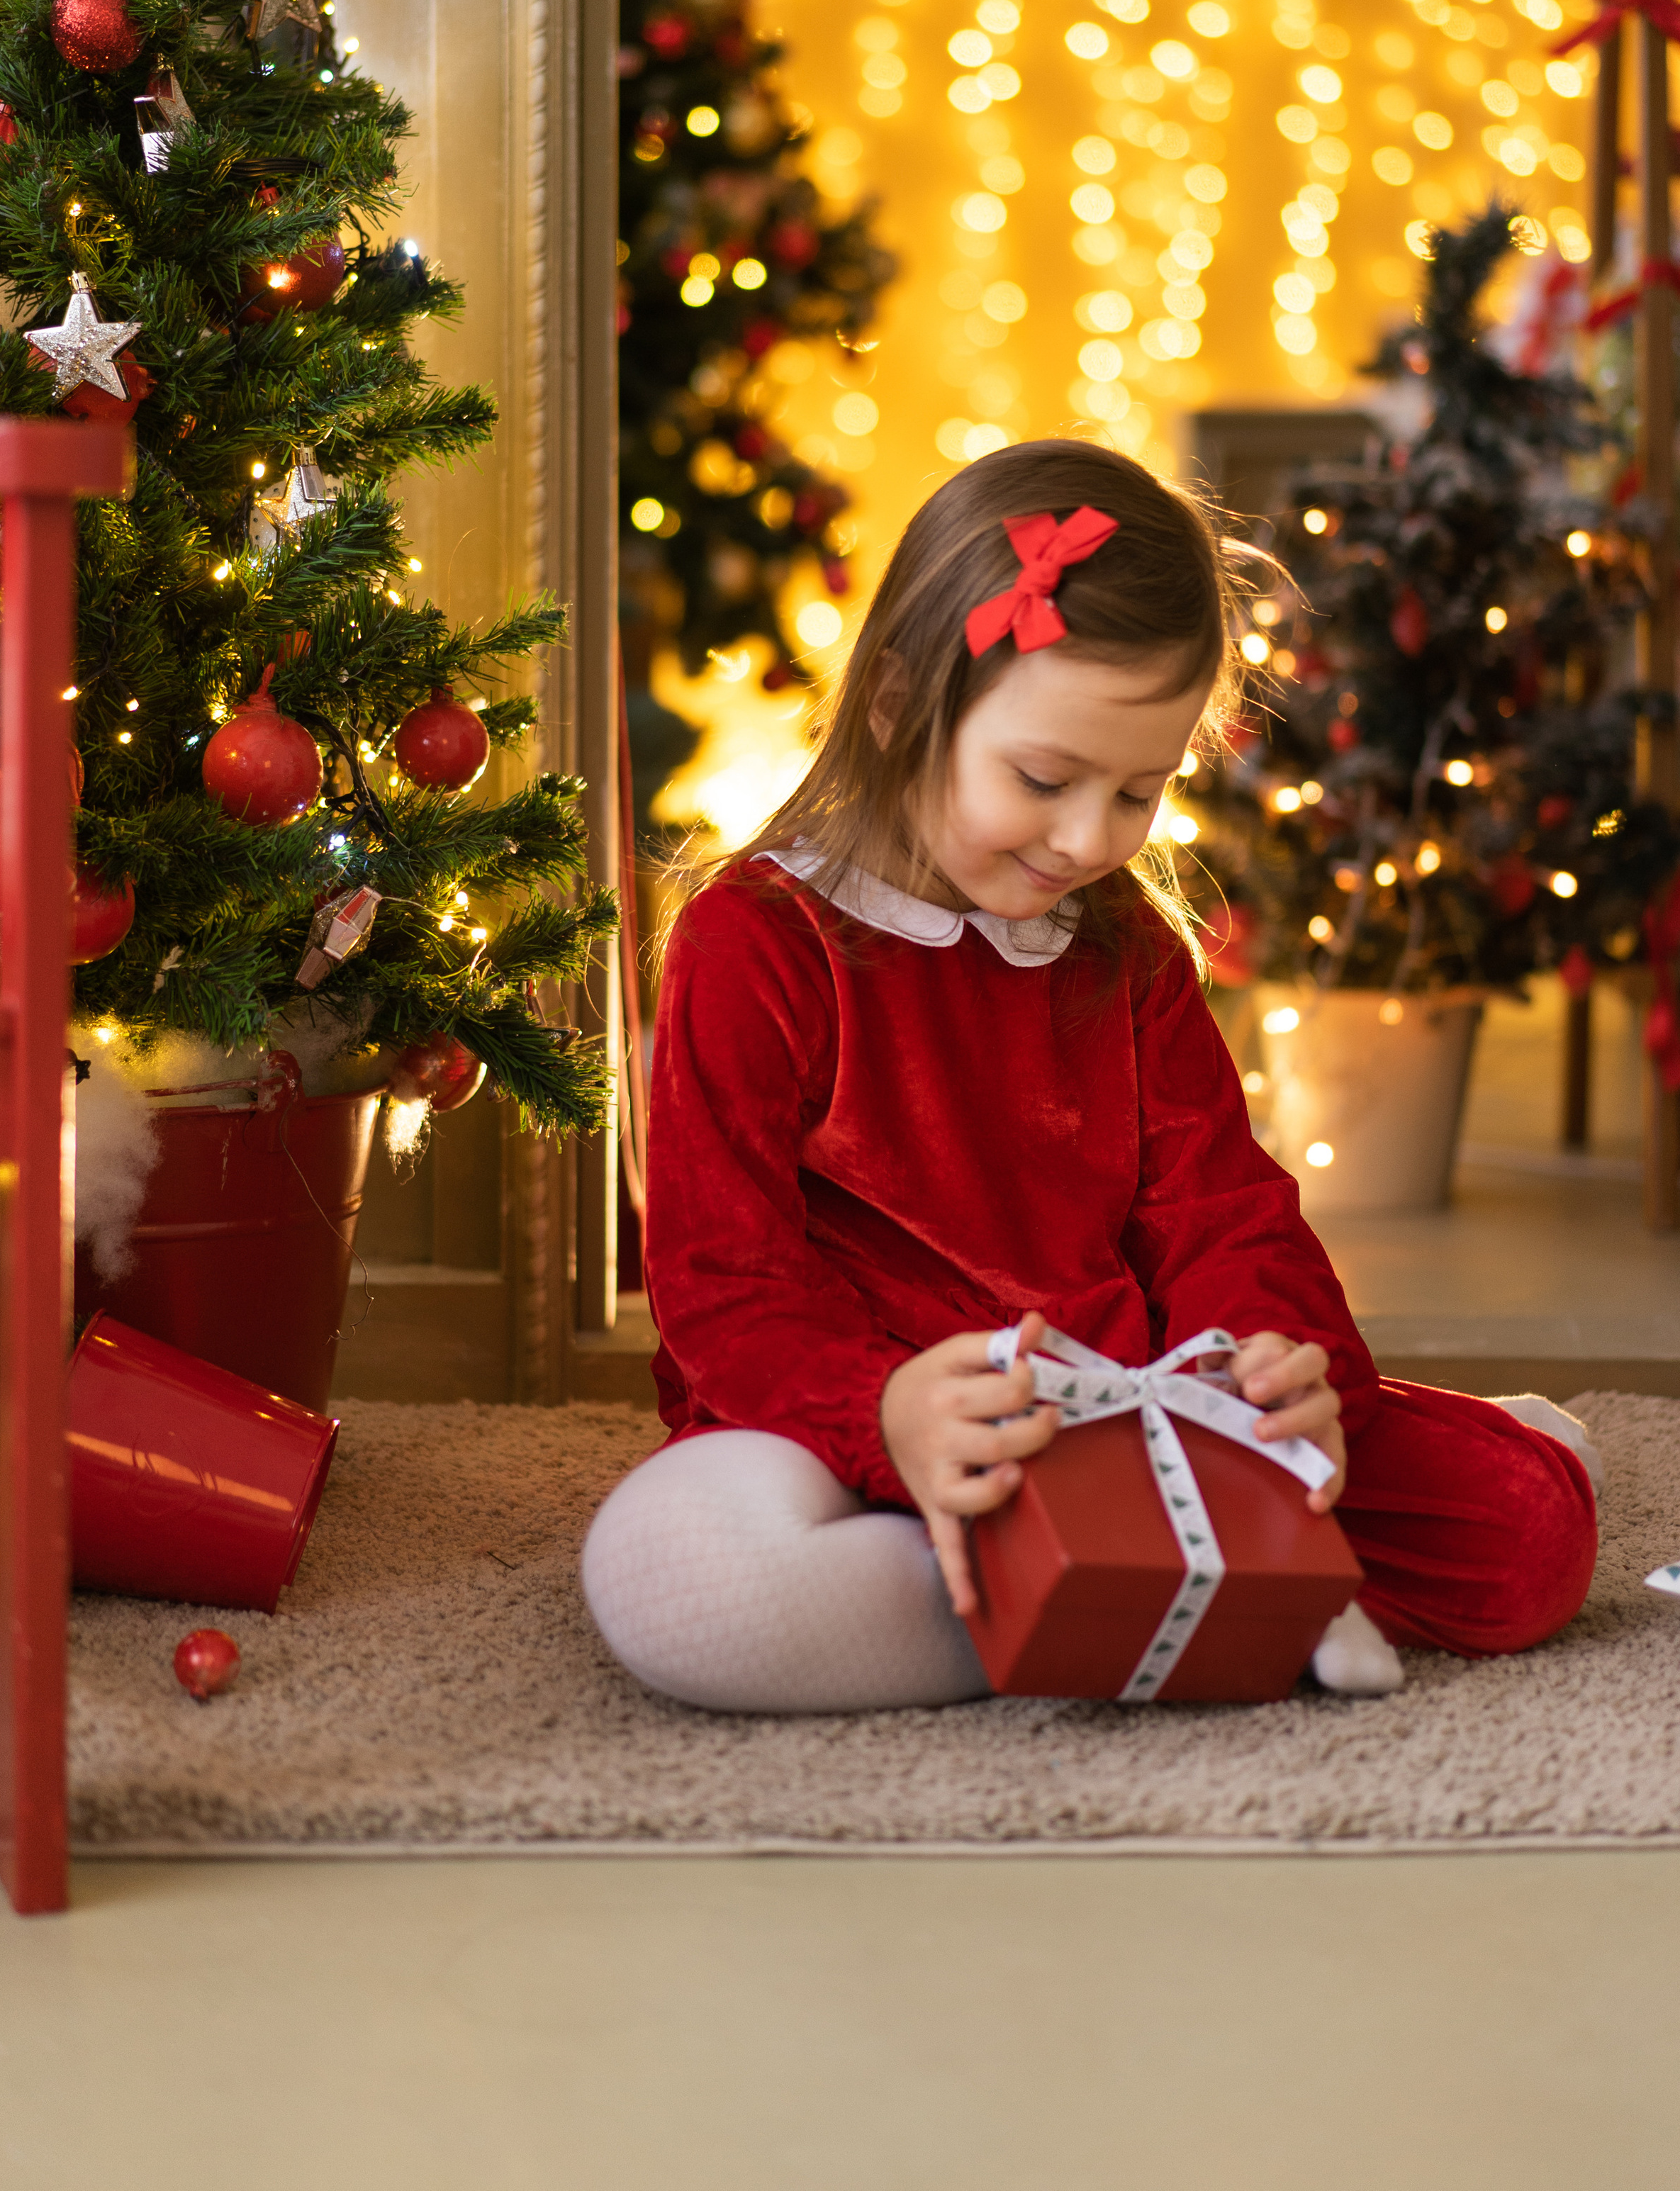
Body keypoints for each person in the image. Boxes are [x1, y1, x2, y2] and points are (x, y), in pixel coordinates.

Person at [583, 439, 1600, 1713]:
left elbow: (1220, 1209)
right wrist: (884, 1410)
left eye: (1140, 791)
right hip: (864, 1435)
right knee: (678, 1579)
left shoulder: (1122, 950)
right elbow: (725, 1284)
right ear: (902, 708)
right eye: (1045, 780)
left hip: (1137, 1411)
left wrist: (1282, 1367)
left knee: (1527, 1539)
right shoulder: (757, 941)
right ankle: (1163, 1595)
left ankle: (1115, 1588)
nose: (1088, 838)